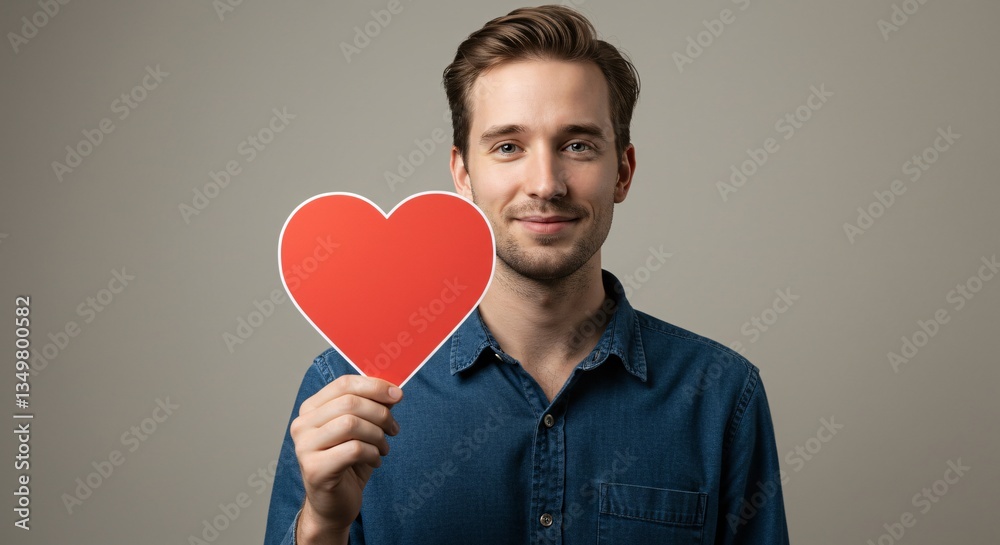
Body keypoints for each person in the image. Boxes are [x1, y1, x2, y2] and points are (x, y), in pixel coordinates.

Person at [264, 5, 790, 544]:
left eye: (578, 145)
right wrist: (323, 526)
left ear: (623, 172)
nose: (545, 183)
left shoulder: (721, 394)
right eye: (508, 147)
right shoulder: (349, 387)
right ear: (463, 174)